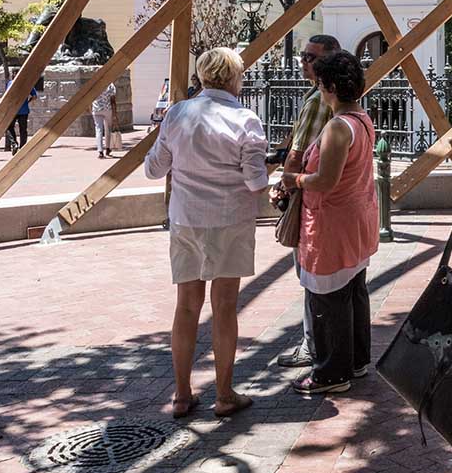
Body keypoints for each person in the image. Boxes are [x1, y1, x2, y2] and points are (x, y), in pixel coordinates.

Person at [144, 47, 268, 419]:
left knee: (186, 306)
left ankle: (182, 394)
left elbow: (153, 170)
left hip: (186, 218)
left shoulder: (177, 114)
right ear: (233, 77)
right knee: (225, 306)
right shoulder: (245, 119)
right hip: (230, 220)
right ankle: (224, 393)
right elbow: (255, 181)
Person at [280, 50, 378, 395]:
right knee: (353, 291)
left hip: (331, 225)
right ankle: (356, 360)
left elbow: (325, 179)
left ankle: (330, 373)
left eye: (321, 85)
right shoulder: (363, 119)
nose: (319, 91)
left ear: (332, 86)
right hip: (355, 220)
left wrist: (295, 180)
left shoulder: (338, 127)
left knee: (327, 298)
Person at [275, 34, 341, 369]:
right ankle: (340, 352)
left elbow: (300, 153)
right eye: (303, 56)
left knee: (311, 276)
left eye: (310, 57)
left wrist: (286, 185)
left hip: (312, 197)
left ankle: (314, 347)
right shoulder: (341, 105)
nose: (304, 62)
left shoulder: (319, 100)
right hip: (337, 203)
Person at [3, 85, 38, 153]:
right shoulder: (28, 83)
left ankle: (14, 144)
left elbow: (7, 96)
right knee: (23, 129)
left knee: (9, 127)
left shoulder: (10, 83)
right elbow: (34, 96)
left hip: (13, 110)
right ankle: (23, 148)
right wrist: (27, 102)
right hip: (24, 110)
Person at [92, 81, 117, 158]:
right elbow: (113, 100)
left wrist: (91, 109)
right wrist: (115, 112)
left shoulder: (95, 85)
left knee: (98, 130)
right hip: (107, 109)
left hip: (96, 109)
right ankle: (108, 148)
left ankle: (100, 151)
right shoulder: (110, 85)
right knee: (108, 129)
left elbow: (90, 98)